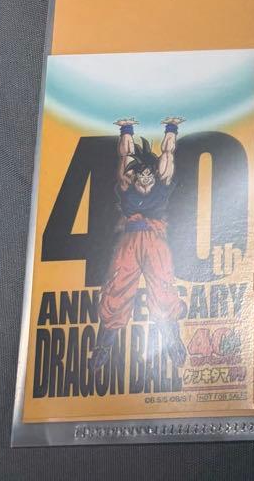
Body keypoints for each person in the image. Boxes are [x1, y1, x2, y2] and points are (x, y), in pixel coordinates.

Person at [91, 117, 186, 375]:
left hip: (155, 241)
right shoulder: (127, 184)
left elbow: (168, 153)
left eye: (148, 175)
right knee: (117, 289)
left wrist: (171, 128)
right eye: (140, 175)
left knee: (163, 288)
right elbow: (125, 156)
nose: (144, 179)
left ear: (153, 174)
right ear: (135, 176)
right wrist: (126, 130)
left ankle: (172, 339)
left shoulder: (161, 184)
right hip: (130, 242)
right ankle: (104, 344)